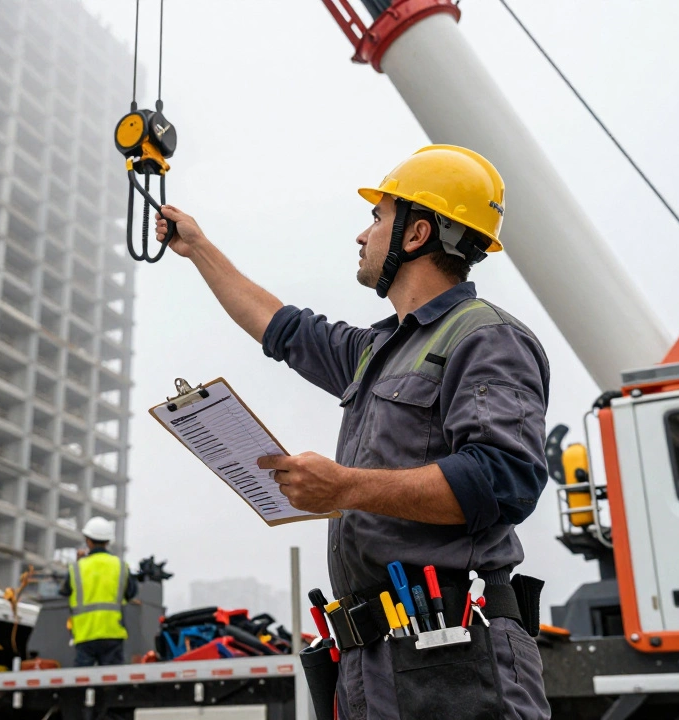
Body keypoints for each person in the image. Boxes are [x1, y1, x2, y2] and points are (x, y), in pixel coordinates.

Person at [155, 145, 551, 719]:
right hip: (373, 658)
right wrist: (198, 249)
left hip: (453, 661)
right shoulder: (379, 351)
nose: (363, 236)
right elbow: (285, 330)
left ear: (416, 235)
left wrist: (345, 489)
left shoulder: (485, 338)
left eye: (377, 218)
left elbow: (503, 481)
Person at [59, 517, 138, 667]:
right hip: (112, 633)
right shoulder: (120, 566)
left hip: (85, 635)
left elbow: (64, 590)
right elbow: (131, 592)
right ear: (108, 542)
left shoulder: (77, 568)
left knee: (83, 682)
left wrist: (80, 561)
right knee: (111, 682)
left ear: (88, 540)